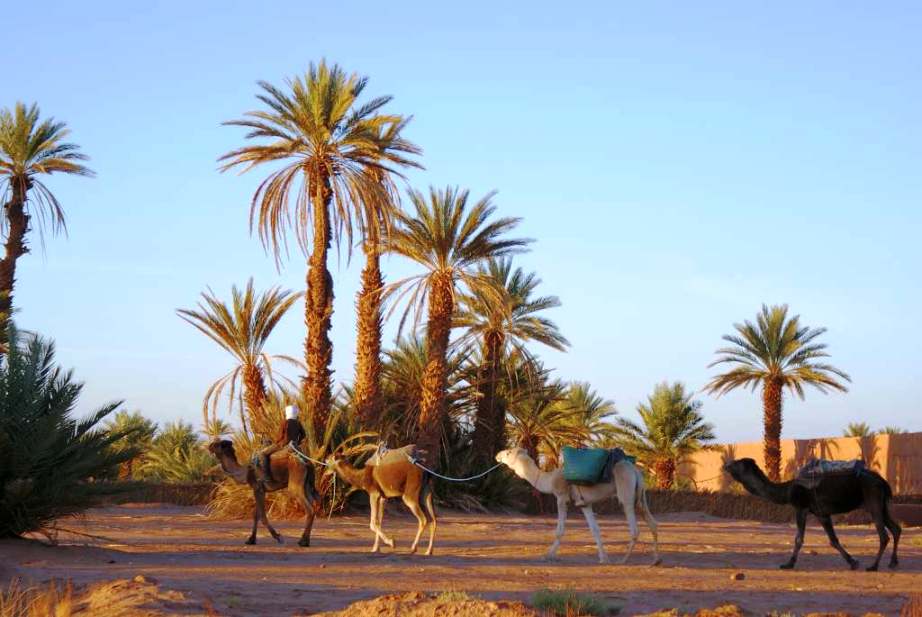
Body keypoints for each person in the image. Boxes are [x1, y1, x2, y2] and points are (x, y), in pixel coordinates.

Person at [259, 404, 307, 482]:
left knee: (262, 454)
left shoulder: (285, 422)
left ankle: (266, 476)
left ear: (287, 413)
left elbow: (279, 436)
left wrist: (274, 442)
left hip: (282, 445)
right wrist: (297, 442)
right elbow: (304, 435)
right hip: (293, 445)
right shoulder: (298, 423)